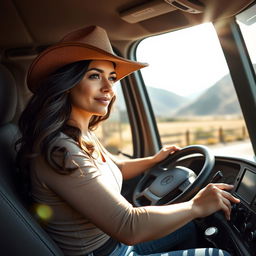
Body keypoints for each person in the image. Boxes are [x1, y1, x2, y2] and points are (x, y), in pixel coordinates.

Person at [16, 25, 240, 256]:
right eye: (94, 76)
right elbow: (129, 226)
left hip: (117, 243)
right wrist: (196, 205)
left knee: (191, 227)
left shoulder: (81, 135)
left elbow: (117, 168)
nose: (108, 88)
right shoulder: (60, 151)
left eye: (111, 78)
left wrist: (154, 159)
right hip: (106, 251)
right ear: (67, 83)